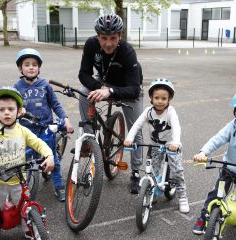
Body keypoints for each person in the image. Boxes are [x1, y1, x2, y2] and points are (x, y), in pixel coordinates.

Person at [78, 13, 143, 194]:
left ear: (119, 36)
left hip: (128, 88)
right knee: (83, 93)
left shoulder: (128, 51)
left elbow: (135, 89)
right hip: (104, 82)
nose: (108, 43)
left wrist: (110, 91)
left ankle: (136, 172)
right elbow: (83, 74)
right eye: (104, 38)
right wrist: (100, 87)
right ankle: (89, 136)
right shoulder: (91, 45)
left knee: (135, 130)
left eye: (113, 38)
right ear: (97, 36)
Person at [14, 48, 74, 202]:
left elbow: (56, 105)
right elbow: (9, 106)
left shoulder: (45, 85)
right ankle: (24, 188)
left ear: (39, 67)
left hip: (46, 128)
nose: (31, 67)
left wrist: (65, 119)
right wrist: (17, 111)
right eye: (26, 64)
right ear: (20, 68)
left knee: (52, 157)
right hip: (27, 130)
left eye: (34, 64)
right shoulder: (17, 87)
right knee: (26, 159)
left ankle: (59, 185)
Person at [124, 78, 190, 213]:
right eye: (157, 98)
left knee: (177, 171)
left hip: (172, 146)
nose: (160, 101)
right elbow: (137, 124)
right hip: (155, 145)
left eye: (164, 98)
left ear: (169, 99)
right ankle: (152, 191)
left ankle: (182, 196)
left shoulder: (170, 111)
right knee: (153, 170)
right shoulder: (148, 111)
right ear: (151, 98)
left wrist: (176, 143)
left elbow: (176, 127)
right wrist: (129, 138)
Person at [0, 86, 54, 239]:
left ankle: (29, 229)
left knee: (25, 207)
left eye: (10, 108)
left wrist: (49, 155)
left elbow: (38, 143)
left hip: (18, 180)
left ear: (19, 111)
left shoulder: (22, 131)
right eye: (2, 110)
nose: (6, 112)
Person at [192, 94, 236, 234]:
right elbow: (217, 139)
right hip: (229, 168)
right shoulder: (232, 126)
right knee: (215, 194)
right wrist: (204, 152)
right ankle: (203, 217)